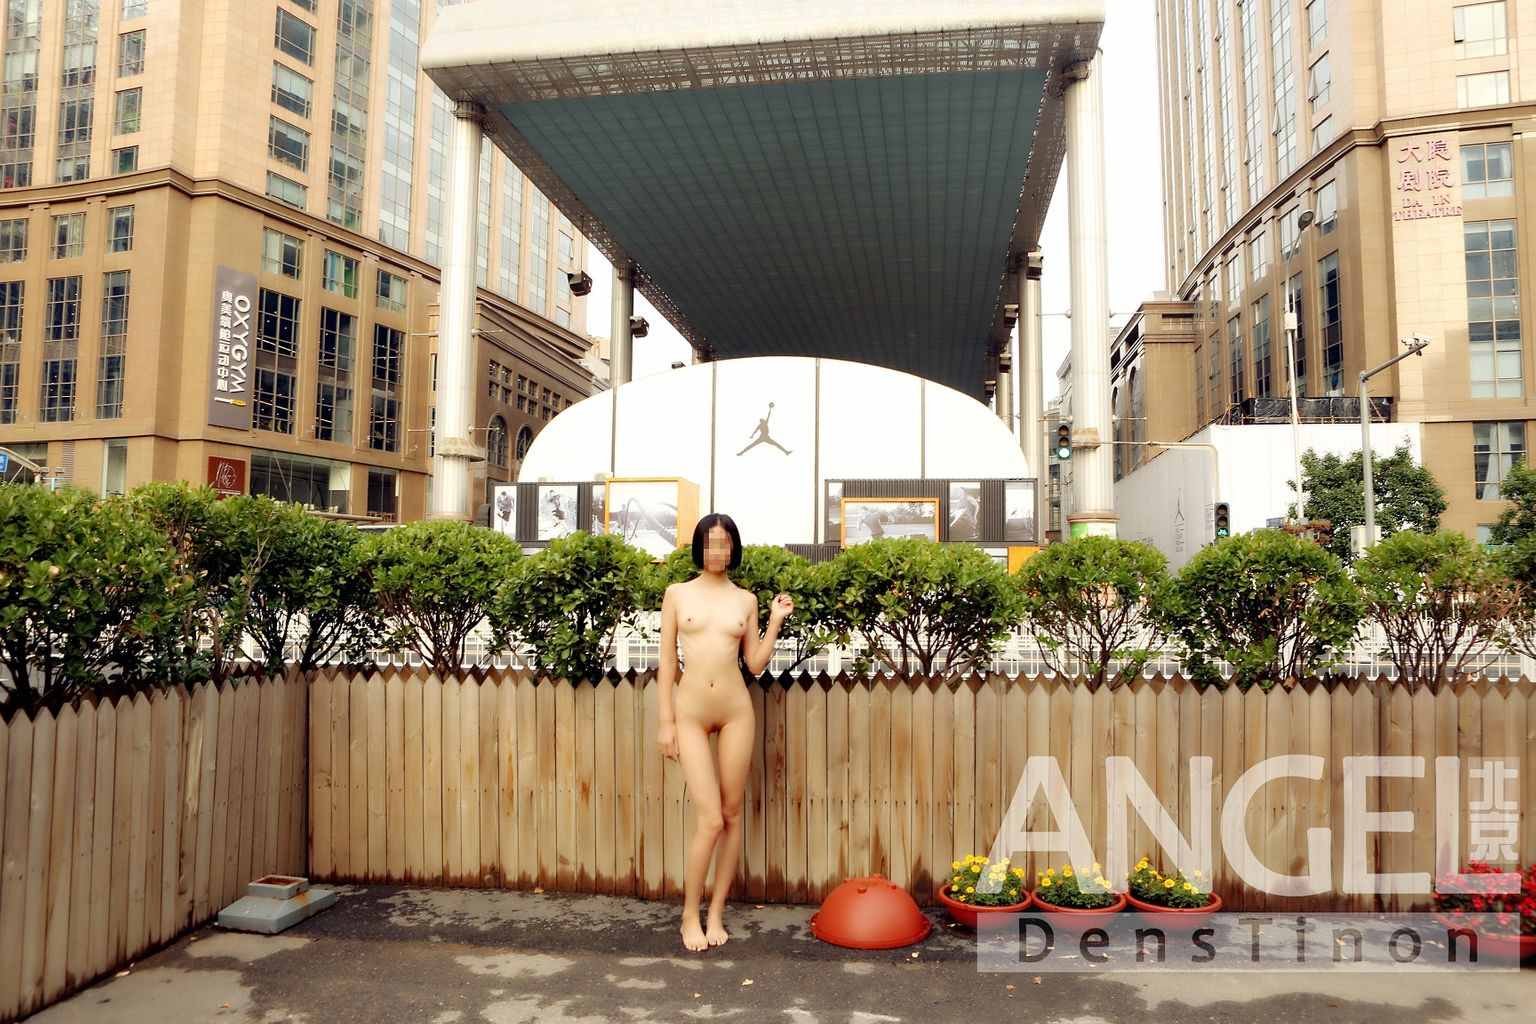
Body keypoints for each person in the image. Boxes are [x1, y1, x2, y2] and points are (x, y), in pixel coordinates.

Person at [657, 513, 792, 951]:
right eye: (710, 543)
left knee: (732, 815)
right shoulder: (677, 594)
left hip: (736, 711)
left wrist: (774, 621)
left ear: (734, 548)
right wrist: (665, 722)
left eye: (724, 543)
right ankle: (688, 915)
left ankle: (715, 912)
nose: (717, 551)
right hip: (690, 713)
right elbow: (667, 663)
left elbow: (754, 664)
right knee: (710, 819)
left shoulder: (745, 600)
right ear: (699, 547)